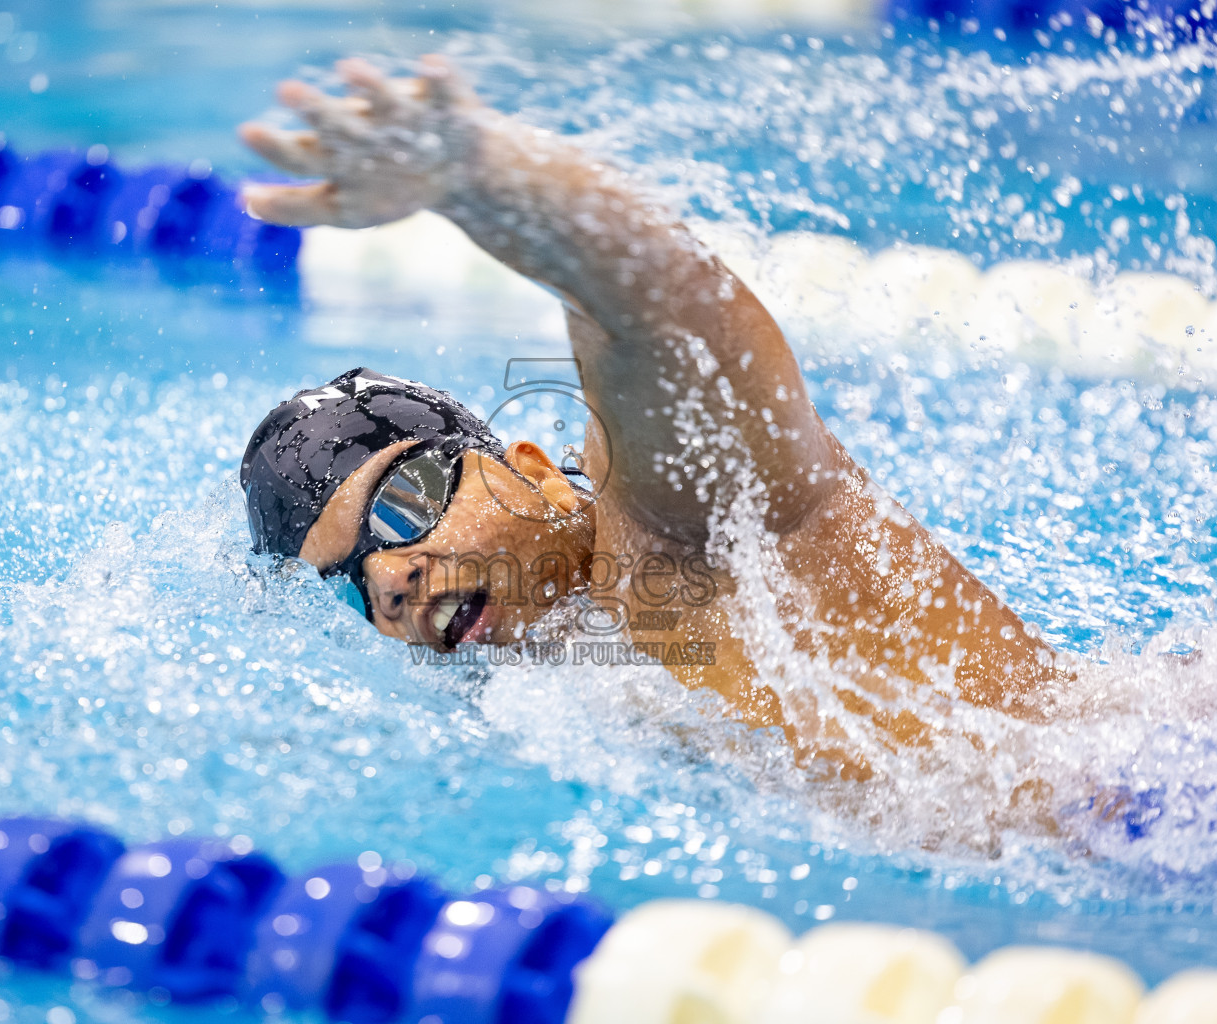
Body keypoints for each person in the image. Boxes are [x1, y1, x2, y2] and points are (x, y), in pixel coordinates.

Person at [236, 56, 1074, 781]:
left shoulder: (687, 535)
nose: (390, 581)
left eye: (403, 505)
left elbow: (649, 318)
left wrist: (484, 179)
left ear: (528, 466)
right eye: (353, 582)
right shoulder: (577, 685)